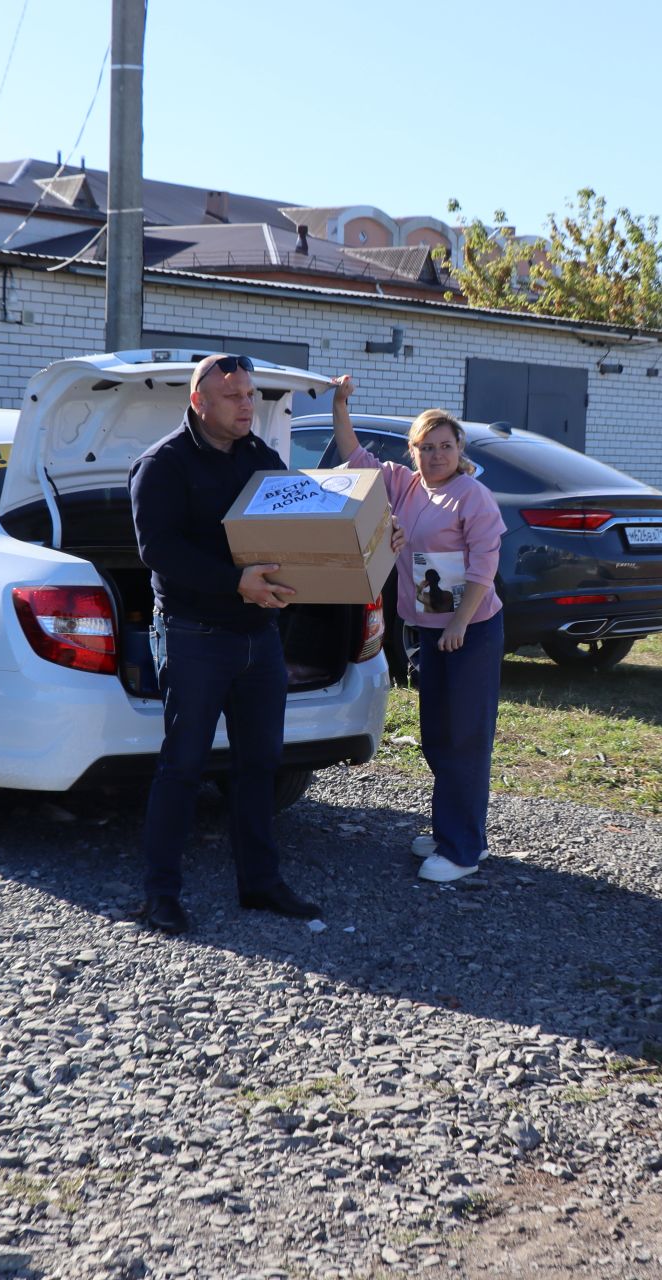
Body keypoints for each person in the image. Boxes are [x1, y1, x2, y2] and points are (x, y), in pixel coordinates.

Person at [126, 353, 323, 934]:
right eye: (233, 395)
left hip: (258, 636)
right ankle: (160, 894)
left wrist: (364, 533)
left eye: (251, 394)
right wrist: (234, 580)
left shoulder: (261, 456)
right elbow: (157, 550)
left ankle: (259, 883)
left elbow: (300, 516)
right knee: (183, 766)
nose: (246, 405)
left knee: (260, 763)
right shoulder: (162, 464)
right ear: (199, 402)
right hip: (194, 636)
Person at [329, 377, 508, 883]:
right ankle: (453, 828)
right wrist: (341, 405)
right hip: (428, 630)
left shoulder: (473, 497)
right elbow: (353, 454)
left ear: (459, 449)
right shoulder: (406, 485)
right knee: (436, 738)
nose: (435, 456)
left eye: (444, 447)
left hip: (470, 631)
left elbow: (482, 571)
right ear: (412, 452)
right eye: (425, 448)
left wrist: (457, 624)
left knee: (465, 739)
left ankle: (463, 850)